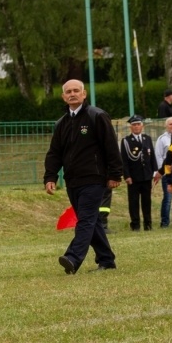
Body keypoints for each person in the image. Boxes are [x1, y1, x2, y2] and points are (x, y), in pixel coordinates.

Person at [44, 79, 123, 274]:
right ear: (64, 97)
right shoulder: (61, 123)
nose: (72, 94)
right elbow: (54, 153)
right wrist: (50, 177)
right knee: (92, 221)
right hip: (73, 181)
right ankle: (107, 260)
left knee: (86, 220)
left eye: (76, 91)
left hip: (95, 179)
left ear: (84, 94)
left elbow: (111, 146)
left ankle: (72, 258)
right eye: (68, 91)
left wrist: (115, 174)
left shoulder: (97, 116)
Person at [120, 114, 160, 231]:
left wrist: (155, 172)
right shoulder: (126, 141)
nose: (136, 127)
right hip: (133, 177)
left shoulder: (146, 139)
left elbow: (151, 156)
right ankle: (135, 224)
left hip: (146, 175)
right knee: (133, 202)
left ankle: (148, 224)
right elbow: (124, 160)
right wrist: (126, 175)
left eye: (138, 124)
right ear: (131, 127)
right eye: (134, 125)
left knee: (146, 201)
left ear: (142, 126)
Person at [155, 116, 172, 228]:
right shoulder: (162, 139)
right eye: (170, 124)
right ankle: (164, 222)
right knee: (168, 199)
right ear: (166, 125)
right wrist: (163, 171)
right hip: (167, 173)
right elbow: (159, 156)